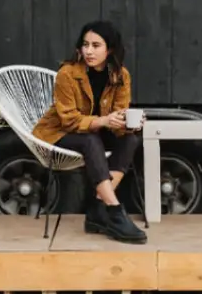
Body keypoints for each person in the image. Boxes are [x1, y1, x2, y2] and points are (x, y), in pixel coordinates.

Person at [32, 20, 147, 244]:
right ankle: (113, 211)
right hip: (58, 133)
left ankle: (96, 209)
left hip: (96, 131)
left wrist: (130, 122)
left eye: (96, 45)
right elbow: (69, 120)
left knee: (131, 139)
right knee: (90, 141)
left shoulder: (121, 76)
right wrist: (103, 120)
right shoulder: (67, 74)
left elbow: (119, 114)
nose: (89, 51)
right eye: (85, 45)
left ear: (109, 49)